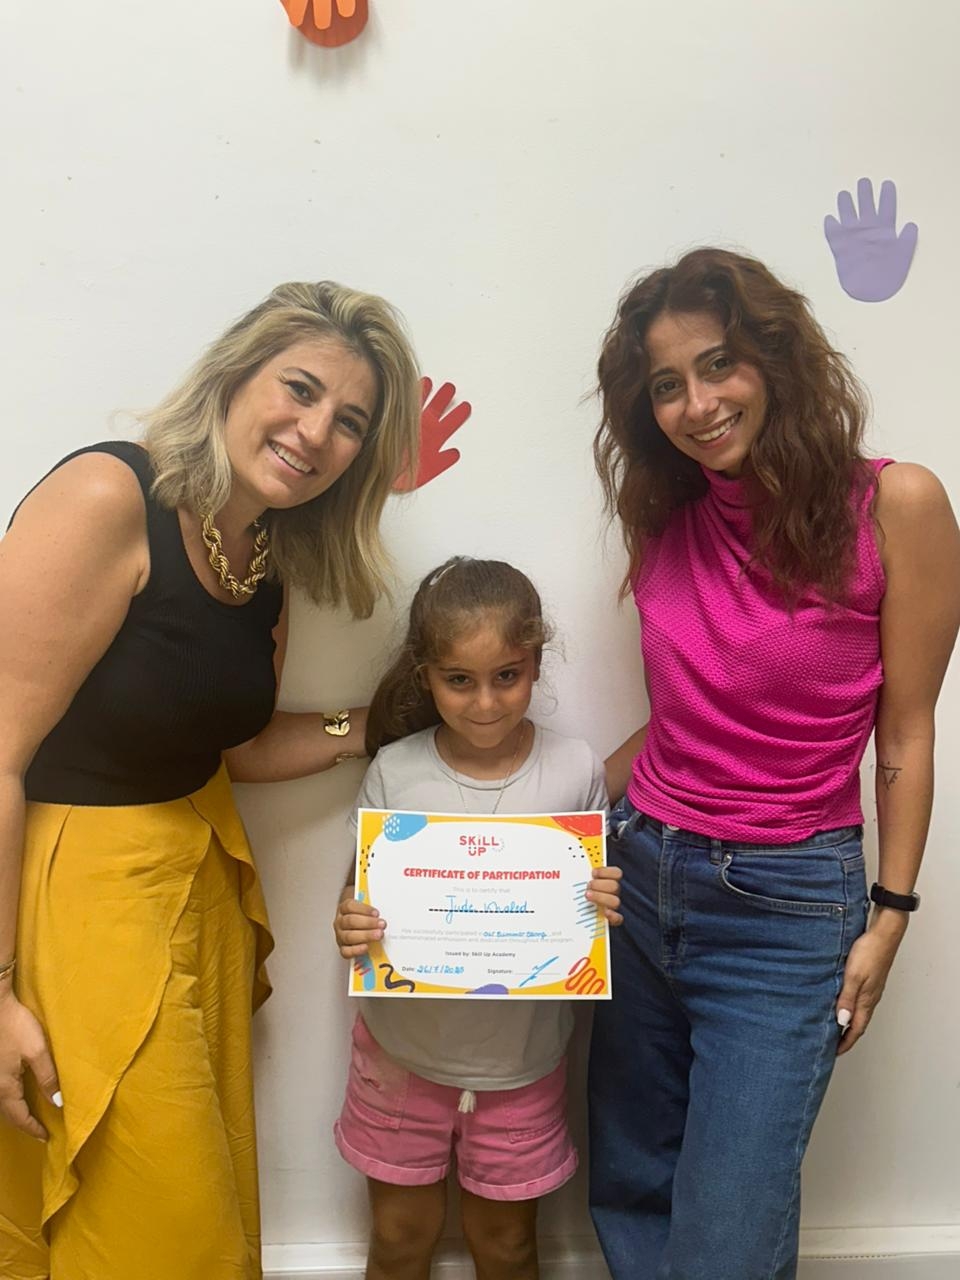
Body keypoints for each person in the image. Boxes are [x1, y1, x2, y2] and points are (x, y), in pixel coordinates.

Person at [0, 280, 423, 1280]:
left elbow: (232, 742)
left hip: (195, 883)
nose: (315, 431)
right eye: (301, 388)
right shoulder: (110, 495)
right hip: (81, 899)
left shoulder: (261, 556)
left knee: (203, 1212)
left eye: (350, 421)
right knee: (158, 1227)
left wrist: (381, 724)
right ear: (236, 373)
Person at [587, 247, 960, 1280]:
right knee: (629, 1188)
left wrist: (891, 914)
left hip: (783, 906)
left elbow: (909, 730)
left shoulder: (897, 505)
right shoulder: (667, 512)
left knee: (728, 1238)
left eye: (719, 364)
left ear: (777, 358)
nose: (697, 404)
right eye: (667, 384)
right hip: (637, 875)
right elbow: (680, 718)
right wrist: (532, 816)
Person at [332, 556, 623, 1280]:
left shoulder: (575, 768)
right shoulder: (396, 770)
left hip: (521, 1064)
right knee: (399, 1238)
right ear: (426, 675)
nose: (486, 702)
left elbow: (589, 915)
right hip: (401, 1058)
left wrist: (604, 905)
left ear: (536, 665)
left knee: (508, 1245)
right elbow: (357, 899)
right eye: (459, 679)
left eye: (508, 676)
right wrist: (349, 924)